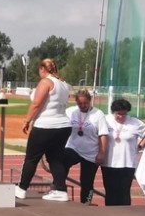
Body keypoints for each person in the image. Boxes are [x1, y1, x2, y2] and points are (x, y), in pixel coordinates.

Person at [16, 58, 72, 201]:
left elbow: (36, 103)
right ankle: (61, 190)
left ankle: (22, 189)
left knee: (31, 158)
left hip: (45, 125)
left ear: (42, 69)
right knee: (55, 159)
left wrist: (27, 120)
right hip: (64, 125)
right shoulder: (64, 84)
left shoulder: (46, 82)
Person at [102, 98, 145, 206]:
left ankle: (125, 213)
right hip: (108, 163)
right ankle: (110, 213)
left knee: (124, 192)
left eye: (123, 114)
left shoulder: (134, 122)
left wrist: (140, 145)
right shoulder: (106, 120)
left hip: (127, 163)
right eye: (118, 114)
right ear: (113, 112)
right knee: (110, 191)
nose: (121, 116)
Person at [62, 89, 109, 205]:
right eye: (80, 103)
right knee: (61, 162)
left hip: (91, 153)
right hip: (73, 148)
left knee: (87, 181)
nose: (83, 106)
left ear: (90, 100)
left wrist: (101, 153)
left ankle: (86, 203)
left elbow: (103, 135)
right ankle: (59, 189)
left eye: (85, 103)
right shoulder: (70, 112)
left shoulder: (98, 114)